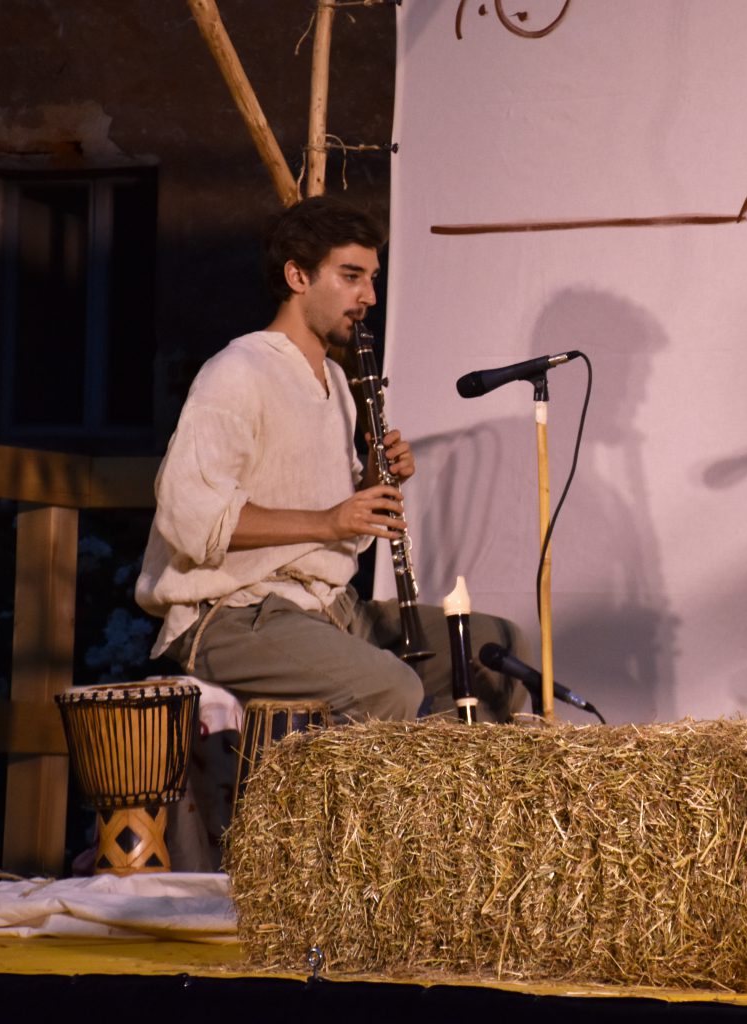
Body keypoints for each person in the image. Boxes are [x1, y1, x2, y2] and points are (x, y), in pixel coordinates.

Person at [136, 196, 528, 723]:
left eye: (371, 278)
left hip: (328, 608)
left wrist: (370, 487)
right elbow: (192, 520)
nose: (368, 296)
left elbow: (337, 532)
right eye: (350, 276)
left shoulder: (338, 382)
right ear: (297, 276)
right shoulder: (238, 371)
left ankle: (459, 798)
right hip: (233, 613)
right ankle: (378, 806)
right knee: (391, 688)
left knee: (497, 653)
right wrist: (329, 519)